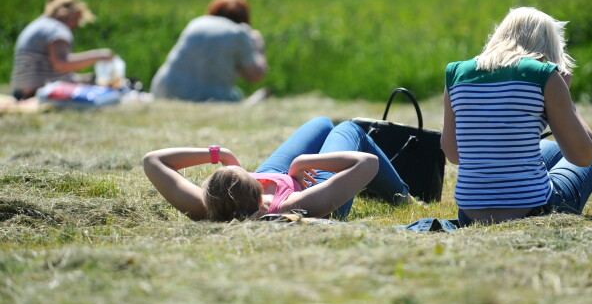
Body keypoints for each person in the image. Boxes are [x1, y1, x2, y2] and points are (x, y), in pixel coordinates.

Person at [441, 7, 592, 226]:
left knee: (550, 149)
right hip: (537, 209)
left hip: (470, 215)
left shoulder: (456, 73)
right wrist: (565, 97)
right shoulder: (543, 74)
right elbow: (584, 156)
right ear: (549, 46)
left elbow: (453, 154)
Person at [143, 117, 413, 221]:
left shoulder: (206, 206)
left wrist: (220, 154)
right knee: (349, 129)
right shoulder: (292, 206)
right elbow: (367, 164)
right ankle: (402, 196)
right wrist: (303, 163)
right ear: (257, 194)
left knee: (321, 123)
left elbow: (153, 161)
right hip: (308, 182)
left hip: (275, 174)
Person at [150, 0, 268, 102]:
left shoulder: (197, 23)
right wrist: (258, 46)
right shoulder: (239, 33)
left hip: (163, 91)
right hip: (206, 98)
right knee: (235, 95)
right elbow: (255, 76)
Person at [11, 0, 115, 100]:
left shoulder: (41, 24)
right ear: (71, 15)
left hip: (21, 91)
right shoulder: (57, 29)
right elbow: (61, 64)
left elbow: (50, 68)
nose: (75, 26)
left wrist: (81, 79)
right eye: (77, 20)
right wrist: (100, 55)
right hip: (37, 92)